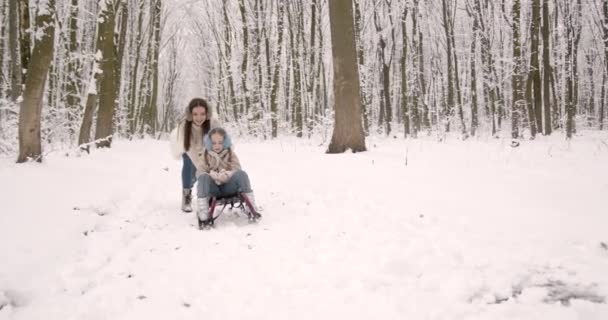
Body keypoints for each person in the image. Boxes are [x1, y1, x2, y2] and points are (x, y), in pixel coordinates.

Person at [194, 127, 260, 227]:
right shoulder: (205, 155)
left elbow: (236, 168)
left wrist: (227, 174)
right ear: (209, 143)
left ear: (225, 142)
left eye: (220, 142)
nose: (217, 146)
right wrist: (212, 175)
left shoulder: (230, 153)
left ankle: (251, 206)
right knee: (203, 177)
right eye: (214, 143)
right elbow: (200, 172)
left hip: (228, 187)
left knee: (242, 174)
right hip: (213, 189)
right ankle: (203, 211)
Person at [170, 98, 220, 212]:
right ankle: (186, 195)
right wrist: (203, 170)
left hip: (208, 148)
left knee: (212, 167)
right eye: (195, 114)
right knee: (190, 163)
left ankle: (211, 191)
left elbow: (223, 141)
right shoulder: (184, 126)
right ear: (190, 114)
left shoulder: (213, 123)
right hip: (188, 148)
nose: (199, 118)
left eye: (202, 114)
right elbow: (190, 150)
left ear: (207, 113)